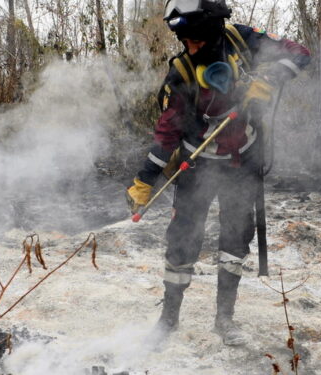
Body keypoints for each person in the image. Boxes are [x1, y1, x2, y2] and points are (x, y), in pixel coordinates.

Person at [126, 0, 310, 346]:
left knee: (235, 241)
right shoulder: (181, 72)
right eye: (185, 40)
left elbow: (299, 52)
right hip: (197, 164)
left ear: (211, 29)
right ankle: (168, 320)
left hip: (244, 162)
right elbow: (167, 133)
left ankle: (224, 321)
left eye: (196, 39)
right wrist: (144, 181)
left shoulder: (243, 40)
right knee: (182, 240)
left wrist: (271, 78)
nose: (190, 47)